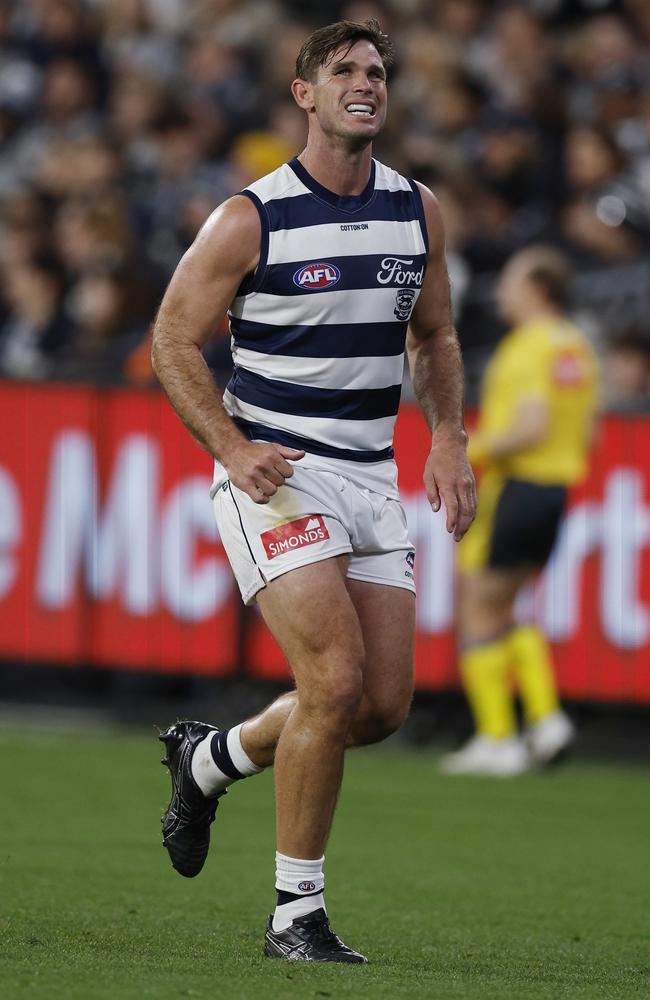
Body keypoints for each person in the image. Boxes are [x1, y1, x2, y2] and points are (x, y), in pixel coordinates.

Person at [151, 18, 476, 963]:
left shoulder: (418, 209)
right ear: (306, 94)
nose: (365, 83)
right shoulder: (250, 215)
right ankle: (295, 916)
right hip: (279, 473)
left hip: (373, 473)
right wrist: (231, 442)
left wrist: (448, 435)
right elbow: (173, 338)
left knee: (378, 707)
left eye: (377, 71)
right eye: (344, 71)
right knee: (332, 683)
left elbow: (437, 336)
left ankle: (209, 761)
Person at [441, 246, 599, 777]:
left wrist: (470, 448)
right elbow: (590, 430)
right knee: (507, 606)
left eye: (510, 280)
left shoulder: (530, 346)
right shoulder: (575, 346)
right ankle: (547, 717)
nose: (501, 291)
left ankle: (497, 737)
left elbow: (530, 426)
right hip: (554, 491)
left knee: (478, 605)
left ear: (536, 288)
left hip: (519, 485)